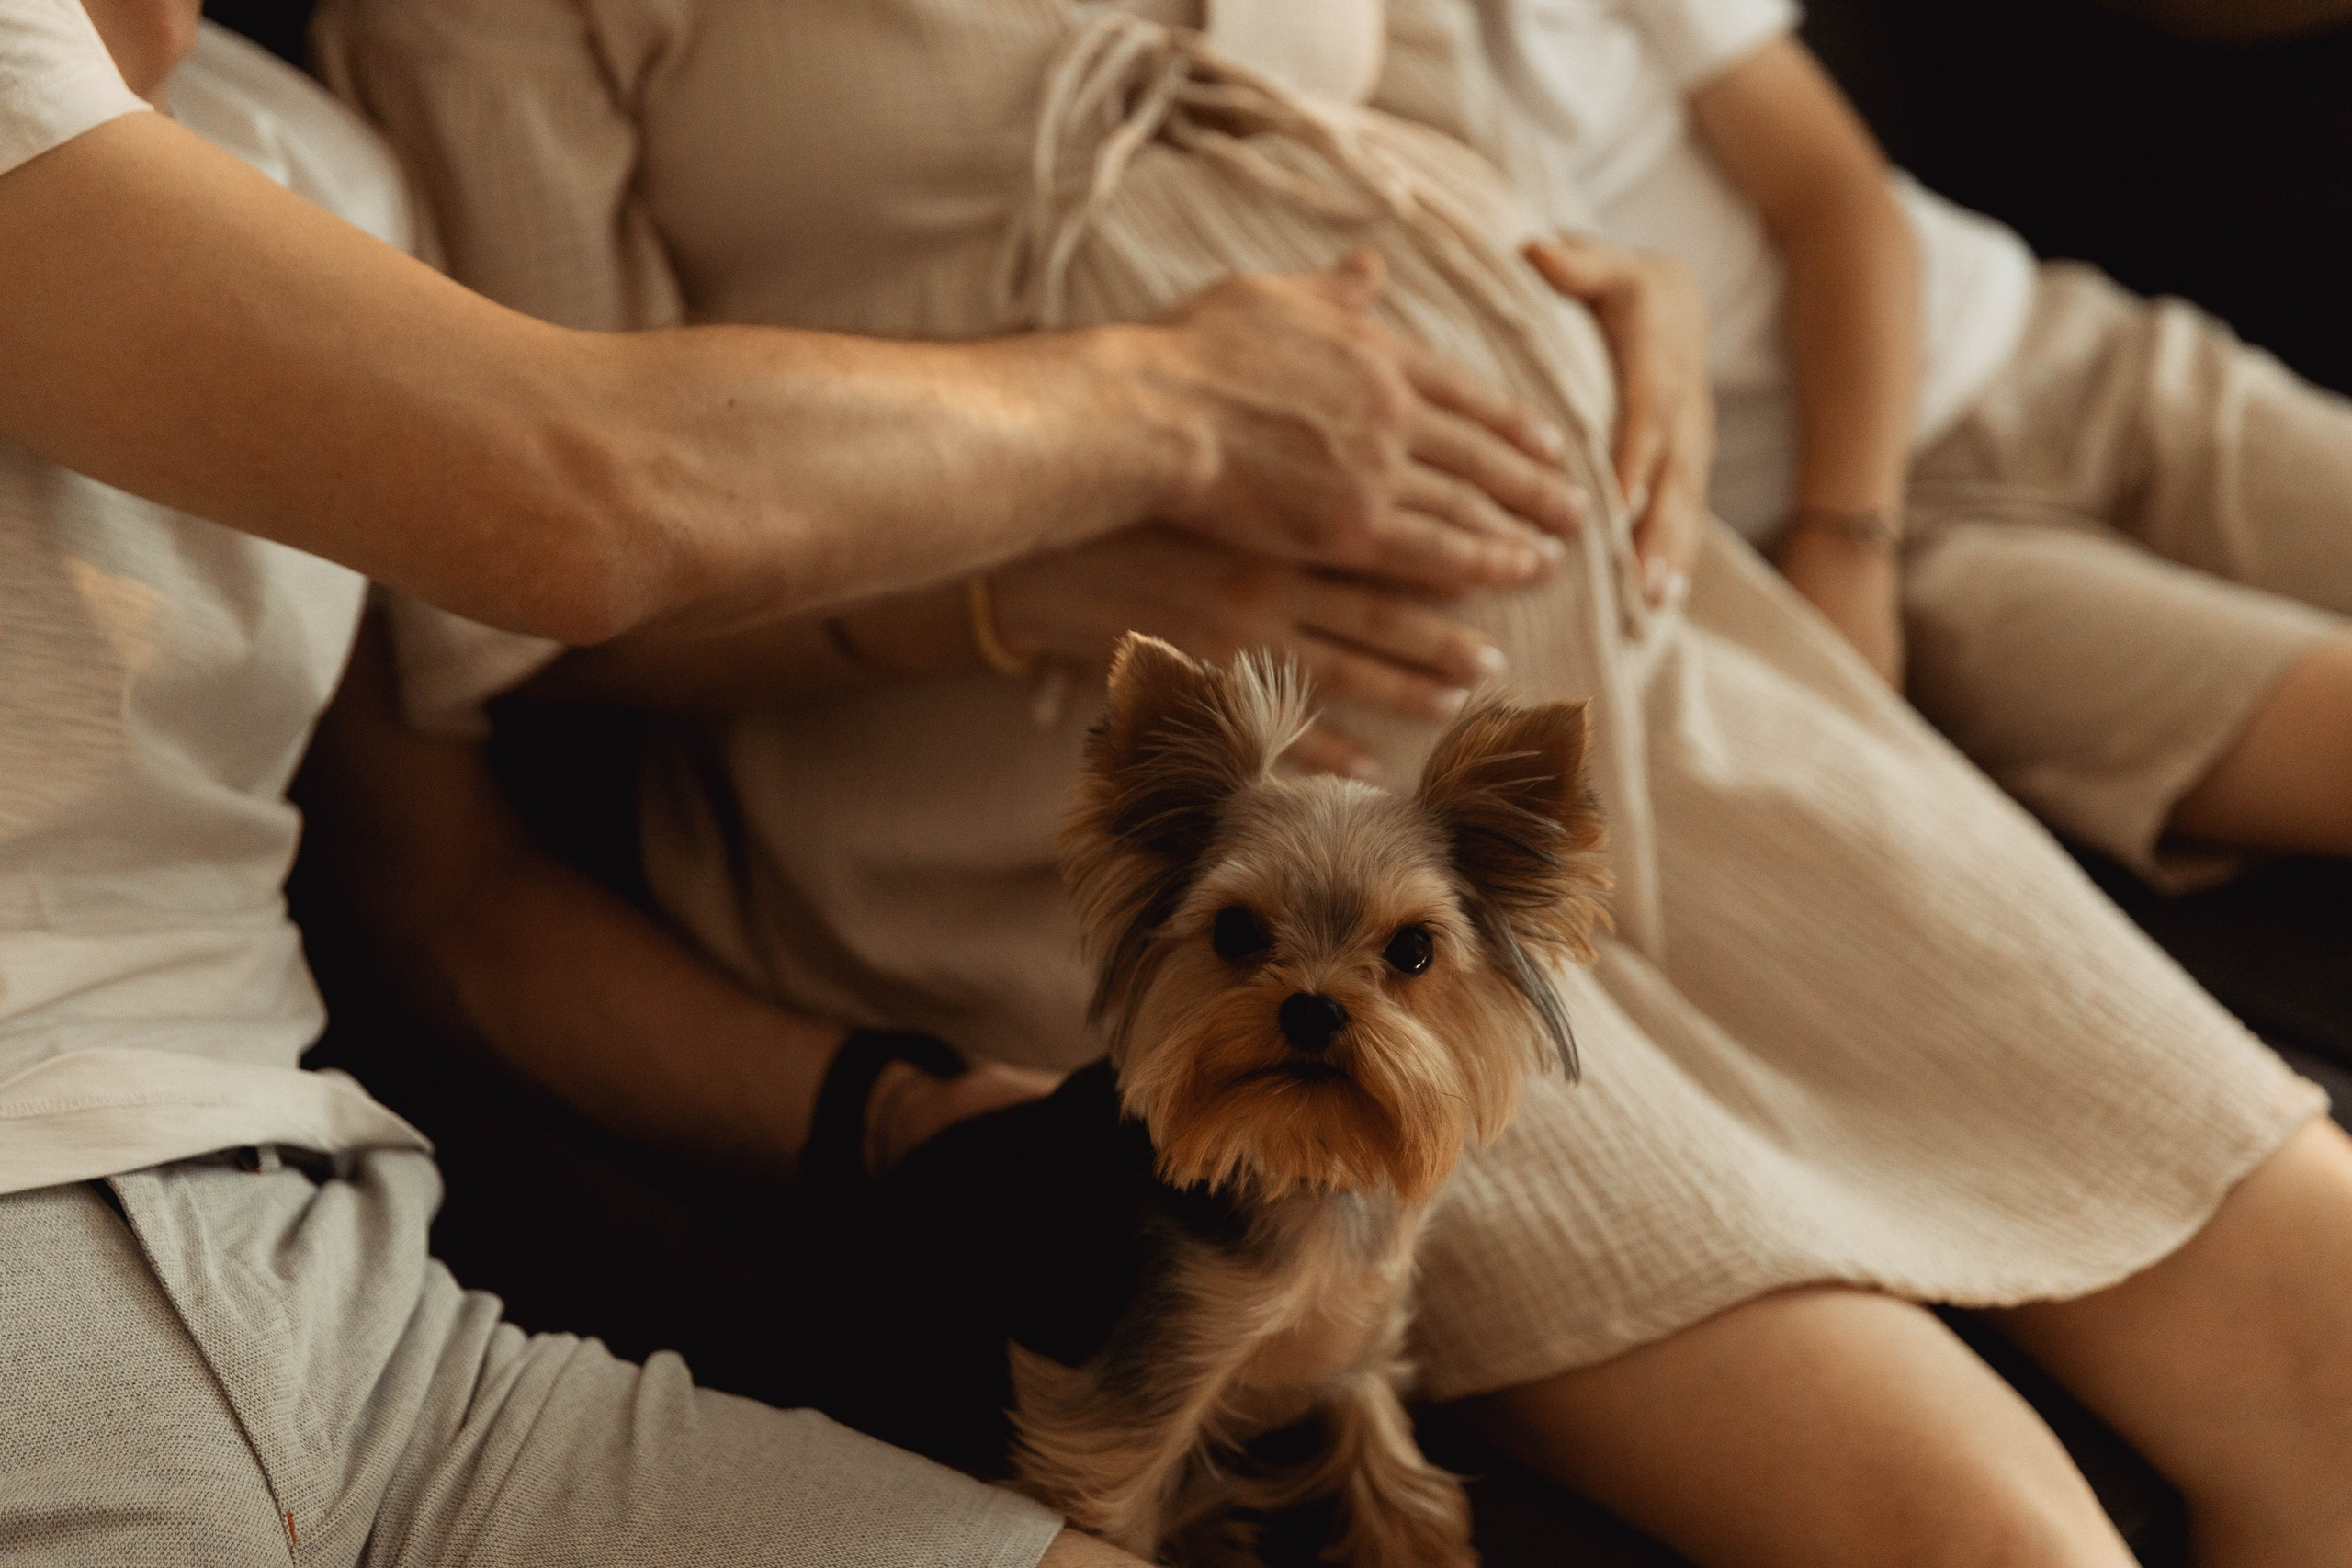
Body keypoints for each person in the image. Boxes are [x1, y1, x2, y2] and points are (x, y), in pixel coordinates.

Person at [319, 1, 2352, 1563]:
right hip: (1122, 824)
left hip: (1641, 687)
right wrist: (1031, 570)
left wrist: (1590, 275)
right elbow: (531, 609)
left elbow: (1406, 117)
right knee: (1989, 1537)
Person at [0, 1, 1590, 1562]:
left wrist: (890, 1109)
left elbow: (445, 901)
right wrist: (1179, 401)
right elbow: (577, 504)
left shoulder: (319, 166)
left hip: (362, 1279)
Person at [1479, 0, 2352, 888]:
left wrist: (1844, 538)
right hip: (1927, 569)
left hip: (2058, 359)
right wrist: (1844, 571)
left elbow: (1836, 198)